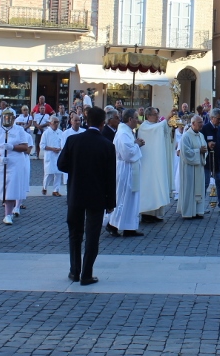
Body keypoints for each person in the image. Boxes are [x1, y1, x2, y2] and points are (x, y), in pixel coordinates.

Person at [57, 106, 116, 285]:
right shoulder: (107, 145)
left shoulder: (73, 140)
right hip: (97, 195)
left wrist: (76, 168)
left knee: (75, 233)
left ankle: (74, 270)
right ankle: (87, 273)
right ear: (102, 123)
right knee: (92, 235)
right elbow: (111, 177)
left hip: (76, 193)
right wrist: (111, 202)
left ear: (86, 121)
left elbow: (61, 165)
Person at [0, 108, 32, 225]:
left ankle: (8, 214)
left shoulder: (19, 130)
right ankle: (8, 211)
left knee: (12, 187)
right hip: (1, 163)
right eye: (5, 117)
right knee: (3, 187)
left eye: (9, 117)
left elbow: (25, 147)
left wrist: (12, 147)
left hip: (15, 163)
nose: (7, 119)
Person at [107, 109, 145, 237]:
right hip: (125, 170)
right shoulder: (123, 133)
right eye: (136, 118)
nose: (138, 121)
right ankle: (112, 225)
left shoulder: (128, 132)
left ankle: (129, 227)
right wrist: (137, 145)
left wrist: (136, 144)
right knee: (123, 198)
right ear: (130, 119)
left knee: (131, 199)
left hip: (131, 170)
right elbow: (127, 154)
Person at [137, 107, 173, 222]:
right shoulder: (144, 127)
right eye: (155, 114)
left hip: (155, 161)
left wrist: (170, 124)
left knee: (156, 185)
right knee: (149, 186)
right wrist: (167, 118)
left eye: (158, 114)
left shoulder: (155, 125)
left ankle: (156, 212)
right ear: (148, 116)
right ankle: (147, 213)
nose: (158, 116)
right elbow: (157, 129)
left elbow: (162, 130)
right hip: (147, 163)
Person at [178, 114, 208, 219]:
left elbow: (205, 149)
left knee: (199, 188)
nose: (202, 124)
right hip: (189, 168)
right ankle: (188, 212)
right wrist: (198, 151)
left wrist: (205, 151)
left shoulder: (201, 135)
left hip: (199, 167)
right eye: (200, 122)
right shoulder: (186, 136)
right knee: (189, 189)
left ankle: (198, 211)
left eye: (202, 122)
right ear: (193, 123)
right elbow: (185, 153)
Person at [202, 108, 220, 213]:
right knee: (205, 183)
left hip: (217, 159)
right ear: (212, 118)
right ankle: (201, 205)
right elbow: (200, 143)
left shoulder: (219, 129)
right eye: (218, 119)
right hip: (207, 160)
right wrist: (207, 145)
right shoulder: (204, 129)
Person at [40, 116, 66, 196]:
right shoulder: (46, 133)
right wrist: (52, 149)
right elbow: (42, 145)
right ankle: (45, 187)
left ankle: (56, 190)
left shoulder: (61, 132)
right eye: (55, 122)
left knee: (58, 173)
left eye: (57, 122)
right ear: (50, 123)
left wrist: (60, 149)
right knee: (49, 173)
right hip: (50, 155)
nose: (56, 124)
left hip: (58, 155)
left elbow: (63, 144)